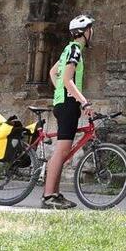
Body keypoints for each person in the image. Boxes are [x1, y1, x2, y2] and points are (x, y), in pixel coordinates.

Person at [41, 13, 95, 210]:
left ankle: (54, 193)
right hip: (67, 105)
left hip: (64, 103)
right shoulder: (75, 50)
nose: (92, 32)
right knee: (61, 151)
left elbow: (53, 72)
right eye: (91, 29)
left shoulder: (69, 49)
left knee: (63, 152)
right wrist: (83, 102)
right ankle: (49, 196)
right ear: (85, 32)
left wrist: (62, 94)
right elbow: (67, 79)